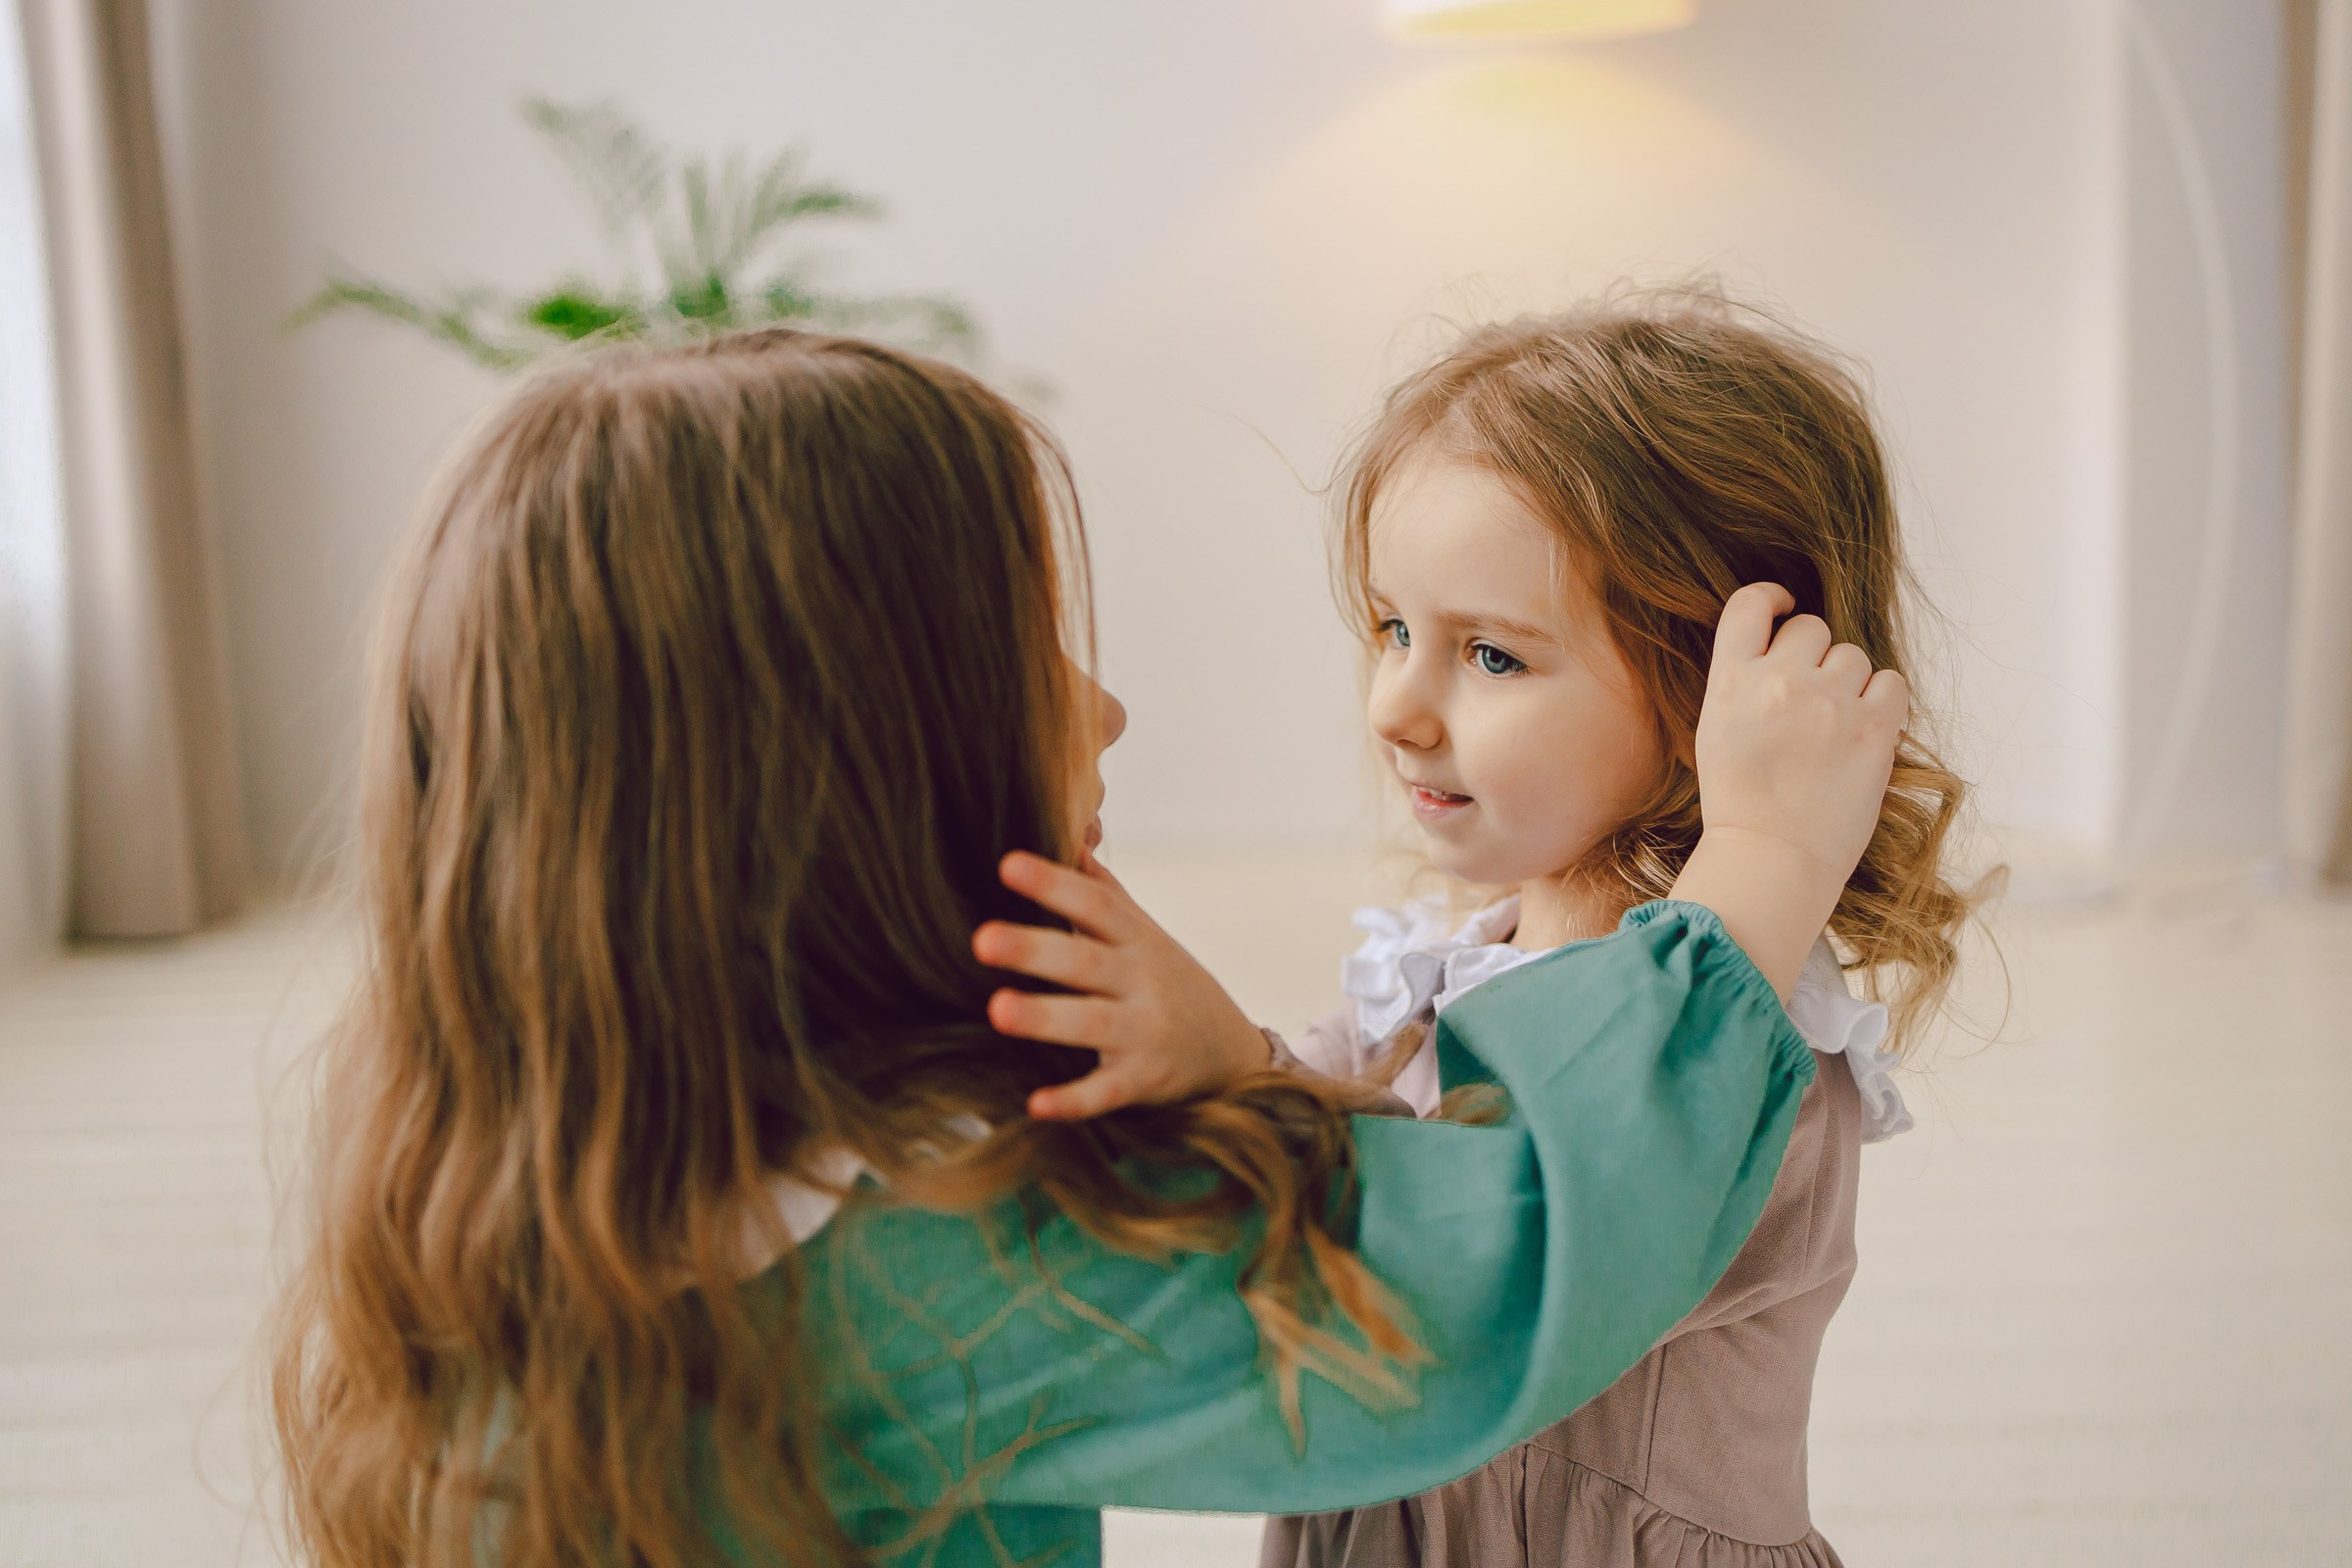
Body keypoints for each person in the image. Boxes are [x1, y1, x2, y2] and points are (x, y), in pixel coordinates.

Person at [266, 326, 1907, 1568]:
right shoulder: (914, 1252)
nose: (1105, 706)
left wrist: (1233, 1069)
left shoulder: (565, 1161)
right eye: (1027, 655)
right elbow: (1487, 1278)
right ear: (845, 772)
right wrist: (1761, 864)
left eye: (1486, 651)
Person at [1088, 291, 1965, 1568]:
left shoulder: (1740, 1047)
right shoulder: (1446, 967)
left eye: (1490, 656)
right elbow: (1328, 1143)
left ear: (1717, 701)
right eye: (1393, 629)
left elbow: (1481, 1278)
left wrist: (1232, 1066)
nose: (1394, 707)